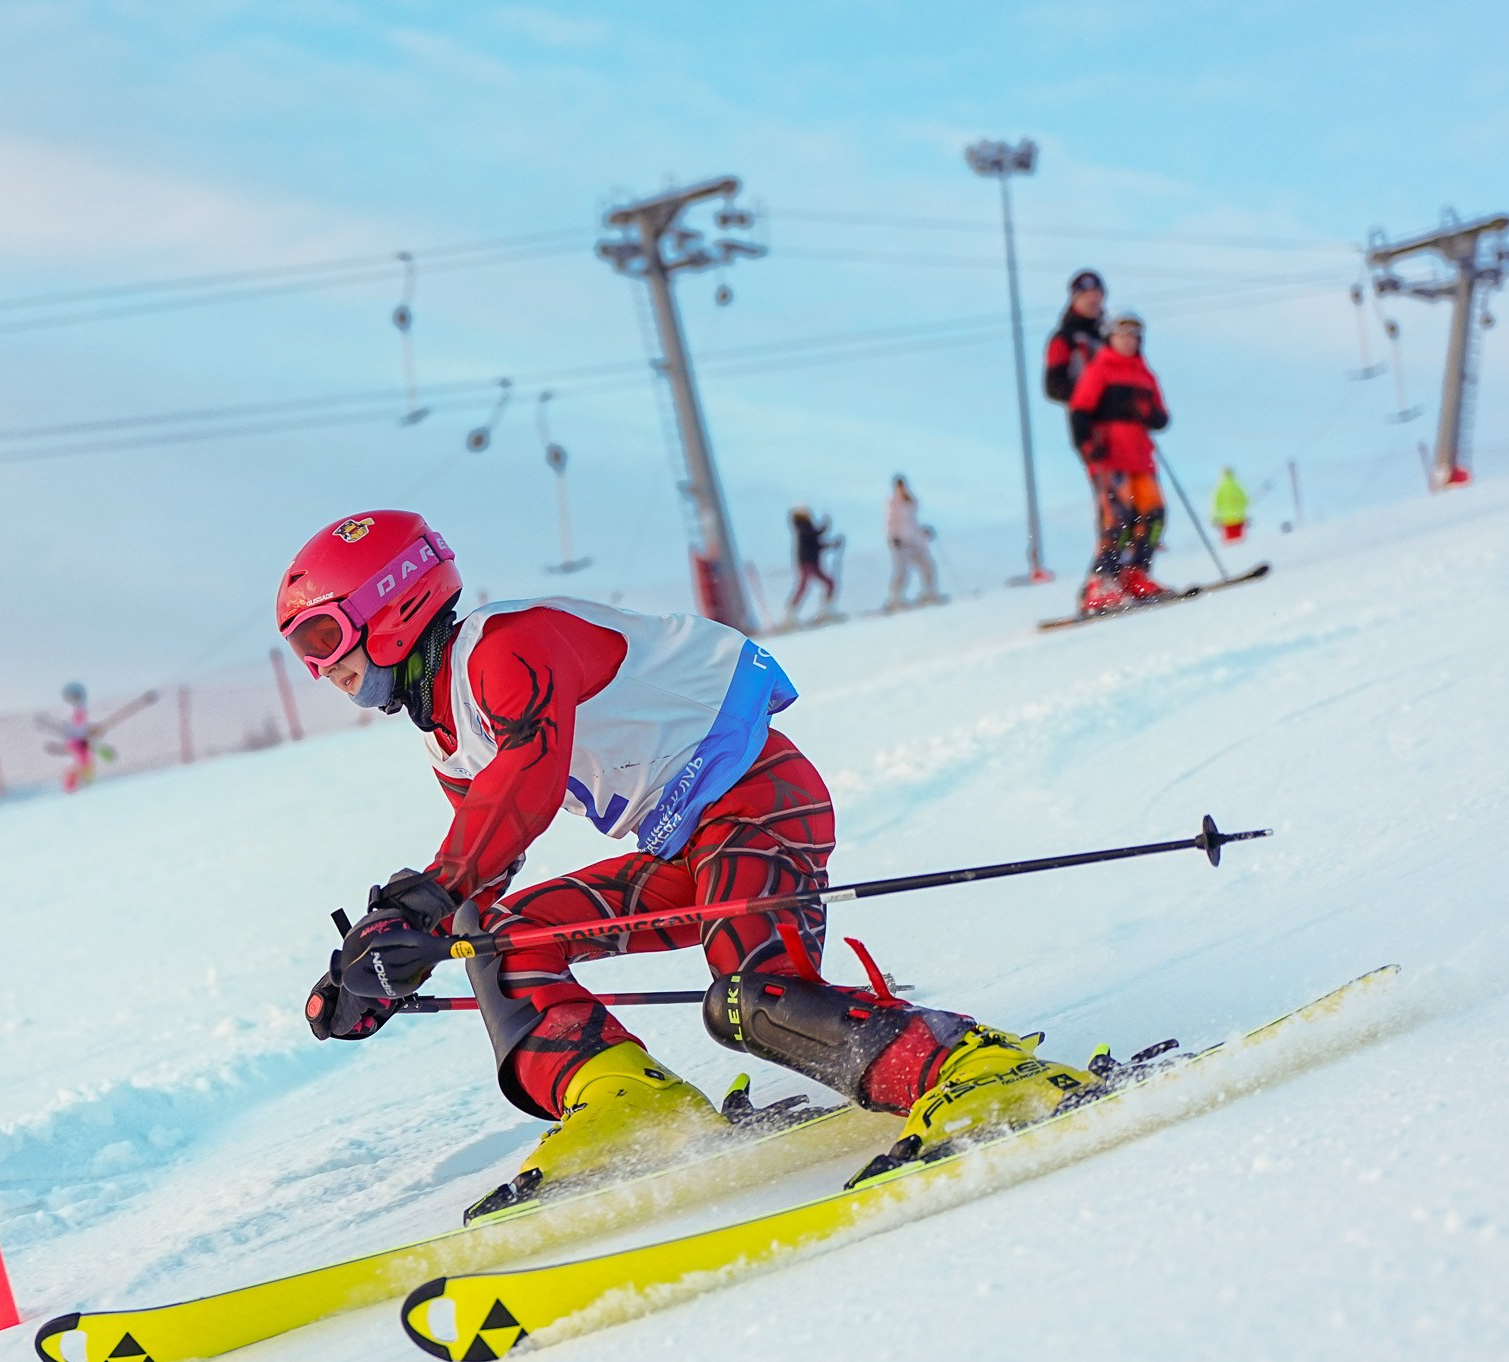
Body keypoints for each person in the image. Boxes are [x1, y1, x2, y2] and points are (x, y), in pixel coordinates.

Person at [280, 509, 1095, 1208]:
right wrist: (379, 965)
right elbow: (484, 860)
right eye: (302, 651)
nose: (322, 667)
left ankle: (968, 1069)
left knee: (753, 999)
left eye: (323, 635)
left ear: (393, 604)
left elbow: (528, 777)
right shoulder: (447, 732)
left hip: (757, 801)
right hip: (678, 847)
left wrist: (425, 900)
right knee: (499, 934)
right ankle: (627, 1102)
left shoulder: (504, 645)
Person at [1066, 310, 1172, 615]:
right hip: (1111, 456)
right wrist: (1088, 446)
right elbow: (1081, 410)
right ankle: (1100, 581)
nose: (1128, 342)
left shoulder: (1143, 372)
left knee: (1153, 514)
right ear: (1111, 338)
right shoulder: (1100, 369)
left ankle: (1135, 572)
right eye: (1122, 336)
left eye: (1134, 337)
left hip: (1140, 456)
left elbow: (1161, 416)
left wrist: (1148, 412)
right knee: (1117, 518)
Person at [1043, 270, 1109, 413]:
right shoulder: (1064, 338)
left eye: (1097, 295)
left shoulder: (1111, 337)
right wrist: (1091, 394)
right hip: (1087, 417)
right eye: (1086, 295)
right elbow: (1054, 387)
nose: (1092, 300)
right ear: (1074, 300)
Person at [884, 476, 941, 609]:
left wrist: (924, 531)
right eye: (899, 486)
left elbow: (912, 523)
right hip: (900, 542)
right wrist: (893, 537)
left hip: (915, 541)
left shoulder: (910, 501)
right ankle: (895, 598)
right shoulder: (893, 503)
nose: (901, 488)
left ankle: (930, 592)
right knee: (901, 570)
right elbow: (890, 523)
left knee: (927, 565)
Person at [786, 505, 840, 625]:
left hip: (811, 562)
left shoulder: (806, 528)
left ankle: (825, 609)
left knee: (824, 584)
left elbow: (817, 543)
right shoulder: (803, 528)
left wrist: (832, 544)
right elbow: (815, 536)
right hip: (807, 562)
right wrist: (825, 526)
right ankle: (790, 614)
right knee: (808, 586)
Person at [1212, 466, 1250, 543]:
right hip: (1239, 517)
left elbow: (1215, 503)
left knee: (1230, 542)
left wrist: (1214, 516)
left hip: (1227, 519)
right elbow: (1245, 500)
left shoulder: (1220, 488)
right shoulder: (1237, 486)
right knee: (1240, 541)